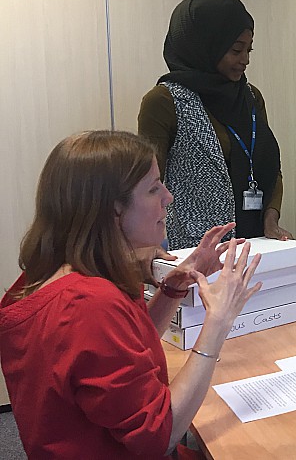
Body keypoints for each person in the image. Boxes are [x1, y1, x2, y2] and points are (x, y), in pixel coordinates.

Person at [0, 131, 262, 458]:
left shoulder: (44, 279)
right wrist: (218, 322)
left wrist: (176, 284)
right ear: (113, 210)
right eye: (153, 188)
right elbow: (160, 433)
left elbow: (122, 351)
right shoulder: (88, 305)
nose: (168, 197)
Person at [138, 0, 292, 249]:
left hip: (256, 244)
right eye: (235, 50)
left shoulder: (251, 97)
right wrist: (144, 244)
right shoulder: (164, 102)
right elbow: (147, 184)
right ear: (205, 46)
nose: (245, 59)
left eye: (249, 49)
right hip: (196, 251)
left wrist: (271, 218)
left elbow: (269, 165)